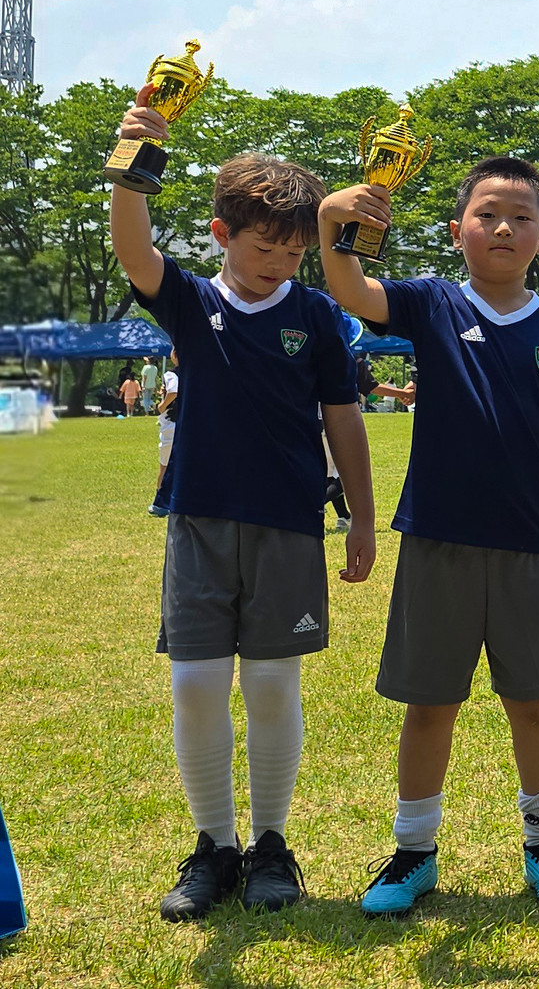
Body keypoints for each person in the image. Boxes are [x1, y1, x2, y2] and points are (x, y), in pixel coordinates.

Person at [108, 91, 376, 923]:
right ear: (222, 233)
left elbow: (344, 420)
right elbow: (132, 246)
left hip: (288, 523)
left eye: (294, 253)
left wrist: (363, 518)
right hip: (198, 517)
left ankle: (270, 846)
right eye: (265, 249)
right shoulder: (192, 300)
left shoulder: (316, 315)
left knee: (269, 684)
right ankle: (214, 847)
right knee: (195, 683)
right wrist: (134, 157)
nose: (279, 265)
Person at [319, 156, 539, 916]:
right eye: (487, 214)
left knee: (534, 702)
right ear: (457, 231)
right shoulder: (431, 302)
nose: (503, 227)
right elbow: (352, 292)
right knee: (429, 703)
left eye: (521, 217)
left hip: (530, 544)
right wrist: (333, 223)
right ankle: (413, 852)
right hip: (436, 538)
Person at [150, 351, 180, 517]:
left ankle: (160, 502)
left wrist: (161, 406)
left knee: (165, 465)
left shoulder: (171, 374)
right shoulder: (194, 373)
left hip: (171, 423)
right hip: (186, 422)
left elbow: (173, 391)